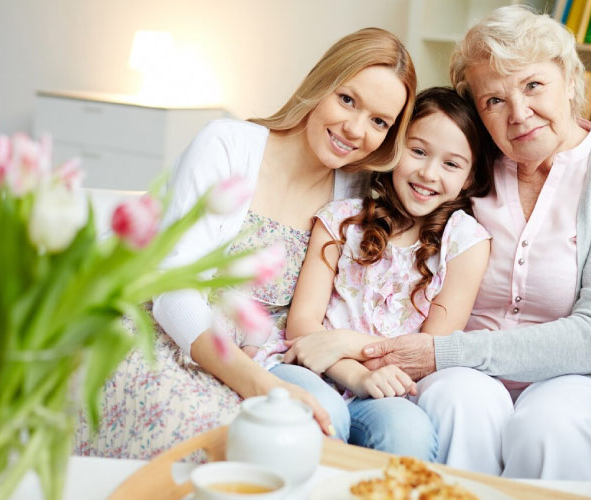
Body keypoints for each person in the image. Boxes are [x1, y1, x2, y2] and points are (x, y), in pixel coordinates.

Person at [74, 27, 417, 461]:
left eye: (379, 122)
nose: (355, 129)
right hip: (161, 329)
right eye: (347, 99)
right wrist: (260, 383)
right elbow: (173, 294)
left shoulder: (356, 191)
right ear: (320, 85)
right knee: (212, 439)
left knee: (291, 442)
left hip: (262, 355)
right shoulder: (228, 146)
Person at [356, 6, 591, 480]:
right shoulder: (466, 166)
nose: (519, 114)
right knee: (456, 402)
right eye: (494, 101)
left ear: (568, 78)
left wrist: (444, 353)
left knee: (550, 426)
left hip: (583, 380)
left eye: (533, 85)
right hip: (465, 375)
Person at [257, 87, 497, 459]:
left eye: (451, 164)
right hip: (310, 366)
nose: (428, 173)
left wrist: (343, 342)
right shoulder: (341, 218)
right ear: (395, 149)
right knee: (324, 412)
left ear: (469, 177)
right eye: (418, 151)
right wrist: (355, 373)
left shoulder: (465, 242)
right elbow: (302, 325)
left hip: (388, 385)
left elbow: (431, 348)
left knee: (408, 432)